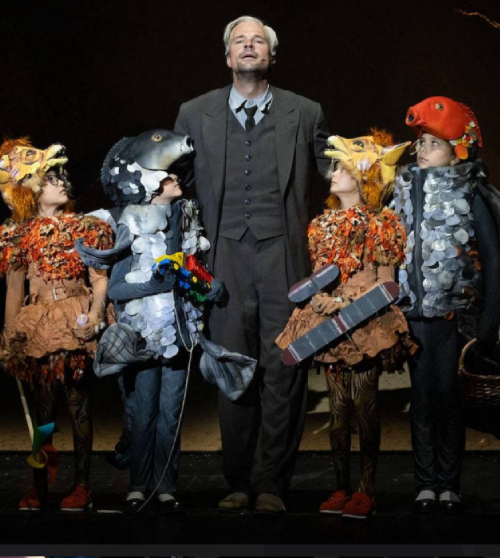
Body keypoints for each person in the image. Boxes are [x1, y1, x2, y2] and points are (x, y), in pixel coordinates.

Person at [174, 15, 331, 515]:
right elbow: (171, 185)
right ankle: (239, 479)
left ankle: (271, 484)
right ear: (227, 56)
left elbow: (339, 174)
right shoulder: (194, 113)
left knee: (284, 366)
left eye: (257, 41)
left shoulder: (305, 112)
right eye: (239, 41)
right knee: (232, 366)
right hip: (223, 257)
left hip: (283, 254)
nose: (248, 46)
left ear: (271, 55)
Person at [75, 130, 250, 514]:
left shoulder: (185, 218)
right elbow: (117, 288)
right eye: (169, 177)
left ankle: (167, 485)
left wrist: (209, 287)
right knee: (143, 413)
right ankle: (139, 485)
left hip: (179, 335)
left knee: (171, 413)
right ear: (151, 183)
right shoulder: (127, 221)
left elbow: (191, 270)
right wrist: (153, 283)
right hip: (142, 336)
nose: (176, 179)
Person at [277, 131, 412, 519]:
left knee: (364, 406)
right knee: (338, 410)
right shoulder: (321, 224)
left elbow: (387, 282)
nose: (332, 174)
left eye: (343, 169)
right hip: (329, 323)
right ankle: (340, 487)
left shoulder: (382, 222)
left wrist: (349, 303)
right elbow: (319, 276)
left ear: (364, 178)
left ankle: (366, 490)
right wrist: (319, 300)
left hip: (366, 322)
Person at [0, 139, 113, 511]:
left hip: (76, 318)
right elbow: (14, 290)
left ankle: (82, 486)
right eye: (52, 179)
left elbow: (99, 279)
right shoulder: (17, 234)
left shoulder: (86, 228)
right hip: (39, 323)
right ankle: (40, 485)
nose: (62, 182)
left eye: (63, 178)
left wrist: (96, 315)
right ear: (33, 188)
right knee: (43, 412)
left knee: (79, 405)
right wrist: (10, 335)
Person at [393, 96, 500, 514]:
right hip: (414, 314)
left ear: (457, 150)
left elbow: (492, 258)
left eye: (433, 143)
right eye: (420, 143)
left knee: (447, 396)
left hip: (453, 316)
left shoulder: (471, 191)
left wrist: (490, 320)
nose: (422, 150)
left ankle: (448, 483)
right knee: (421, 397)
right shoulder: (403, 190)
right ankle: (425, 482)